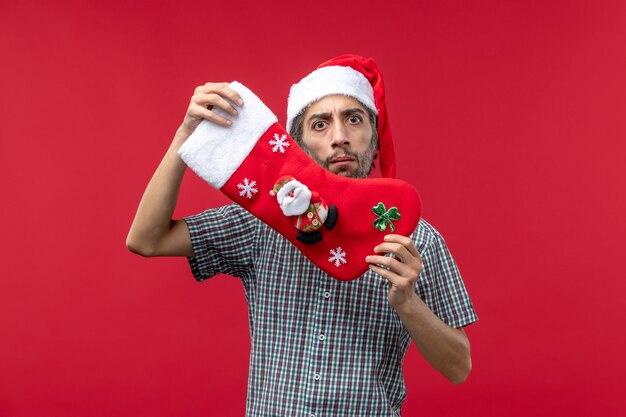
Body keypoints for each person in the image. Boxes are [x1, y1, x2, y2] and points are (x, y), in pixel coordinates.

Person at [127, 54, 477, 416]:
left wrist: (408, 303)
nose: (340, 137)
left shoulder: (416, 239)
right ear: (299, 145)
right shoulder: (261, 224)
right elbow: (146, 240)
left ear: (373, 133)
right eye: (320, 124)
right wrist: (185, 139)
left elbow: (459, 367)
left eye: (353, 119)